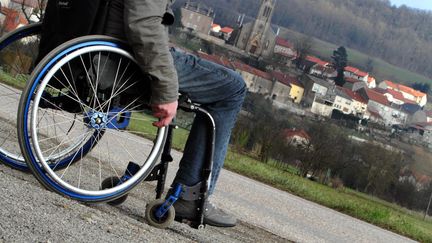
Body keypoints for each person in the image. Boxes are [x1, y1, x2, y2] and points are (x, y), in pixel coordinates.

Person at [103, 0, 246, 227]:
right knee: (233, 88)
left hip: (104, 47)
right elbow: (144, 27)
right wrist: (167, 90)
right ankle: (191, 195)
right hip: (126, 58)